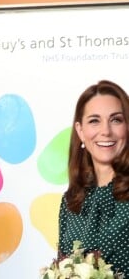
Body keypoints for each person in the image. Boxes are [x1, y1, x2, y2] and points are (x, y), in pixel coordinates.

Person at [58, 80, 129, 278]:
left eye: (116, 120)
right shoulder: (70, 201)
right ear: (80, 131)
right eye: (94, 121)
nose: (105, 131)